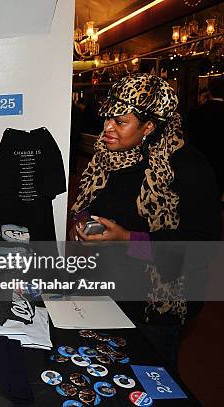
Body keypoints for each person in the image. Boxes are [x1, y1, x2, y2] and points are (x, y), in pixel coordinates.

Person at [69, 73, 221, 369]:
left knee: (149, 380)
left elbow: (203, 247)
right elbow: (89, 204)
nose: (107, 128)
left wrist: (127, 240)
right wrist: (84, 223)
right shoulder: (107, 157)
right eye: (107, 118)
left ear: (149, 126)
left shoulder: (187, 168)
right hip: (105, 292)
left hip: (155, 310)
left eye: (120, 122)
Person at [187, 76, 224, 202]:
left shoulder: (197, 111)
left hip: (200, 157)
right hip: (220, 159)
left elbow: (189, 135)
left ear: (210, 92)